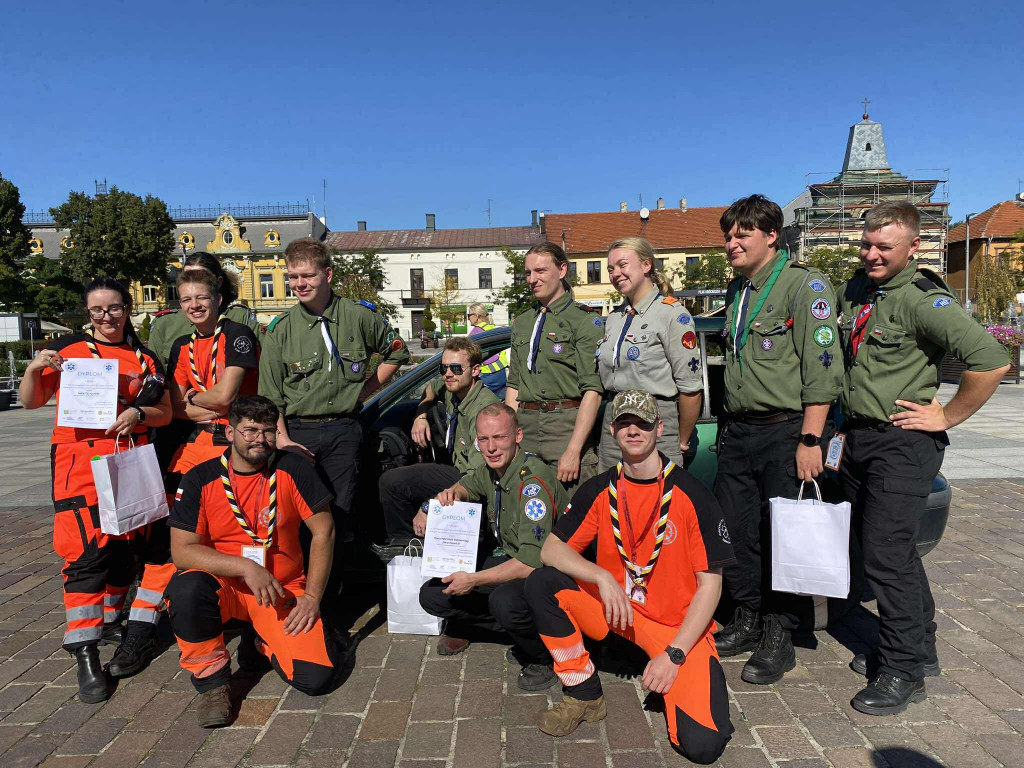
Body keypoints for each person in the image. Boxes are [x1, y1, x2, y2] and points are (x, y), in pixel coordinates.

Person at [836, 201, 1009, 715]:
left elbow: (991, 360)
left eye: (883, 247)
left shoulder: (923, 300)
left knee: (885, 557)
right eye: (866, 244)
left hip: (902, 442)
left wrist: (947, 416)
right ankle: (922, 645)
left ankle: (903, 670)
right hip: (859, 439)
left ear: (913, 248)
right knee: (892, 553)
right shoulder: (858, 291)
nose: (871, 254)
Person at [524, 390, 734, 764]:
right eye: (624, 423)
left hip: (675, 628)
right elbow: (550, 550)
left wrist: (674, 655)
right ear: (612, 431)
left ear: (660, 428)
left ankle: (667, 673)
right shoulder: (600, 488)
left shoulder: (692, 494)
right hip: (618, 613)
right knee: (543, 583)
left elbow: (711, 585)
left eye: (642, 423)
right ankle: (583, 693)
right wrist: (602, 577)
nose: (633, 430)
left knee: (703, 746)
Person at [18, 277, 172, 703]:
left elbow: (164, 412)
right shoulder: (68, 353)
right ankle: (84, 653)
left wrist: (138, 412)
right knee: (85, 555)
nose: (107, 317)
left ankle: (108, 622)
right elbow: (31, 400)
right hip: (78, 465)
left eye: (115, 308)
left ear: (128, 309)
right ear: (88, 314)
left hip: (128, 459)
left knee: (125, 549)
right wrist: (34, 367)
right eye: (97, 311)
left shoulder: (145, 357)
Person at [712, 194, 842, 685]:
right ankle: (746, 616)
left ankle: (779, 634)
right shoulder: (737, 292)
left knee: (782, 535)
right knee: (738, 531)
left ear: (771, 235)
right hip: (739, 432)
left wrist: (811, 439)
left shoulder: (805, 286)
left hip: (786, 429)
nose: (732, 243)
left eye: (742, 233)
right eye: (728, 235)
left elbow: (823, 370)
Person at [165, 396, 344, 727]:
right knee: (186, 588)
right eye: (249, 431)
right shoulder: (199, 478)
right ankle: (213, 683)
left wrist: (312, 599)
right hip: (225, 585)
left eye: (267, 431)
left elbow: (324, 532)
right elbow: (182, 551)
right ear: (230, 433)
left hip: (282, 587)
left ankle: (262, 641)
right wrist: (246, 567)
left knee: (316, 679)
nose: (260, 439)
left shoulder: (293, 469)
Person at [258, 237, 410, 608]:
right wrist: (282, 441)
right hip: (297, 435)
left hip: (344, 431)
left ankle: (330, 605)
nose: (299, 284)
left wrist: (364, 392)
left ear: (327, 274)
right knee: (297, 520)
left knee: (337, 520)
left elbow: (397, 352)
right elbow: (271, 397)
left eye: (307, 275)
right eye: (292, 277)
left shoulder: (358, 317)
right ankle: (297, 597)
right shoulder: (280, 329)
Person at [421, 404, 567, 690]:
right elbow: (466, 486)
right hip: (513, 562)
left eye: (499, 437)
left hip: (548, 572)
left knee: (505, 602)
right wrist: (448, 497)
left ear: (517, 436)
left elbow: (530, 562)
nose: (491, 448)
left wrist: (473, 580)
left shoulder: (532, 483)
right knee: (433, 595)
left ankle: (543, 654)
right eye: (483, 440)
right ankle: (521, 629)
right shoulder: (492, 470)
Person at [374, 337, 499, 555]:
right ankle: (406, 547)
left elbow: (479, 476)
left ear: (476, 370)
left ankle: (409, 551)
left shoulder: (483, 410)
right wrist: (421, 414)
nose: (448, 374)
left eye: (457, 368)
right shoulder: (455, 390)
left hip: (474, 484)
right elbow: (431, 387)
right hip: (458, 471)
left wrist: (430, 506)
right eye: (444, 367)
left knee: (394, 482)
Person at [598, 237, 703, 470]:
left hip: (654, 425)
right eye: (610, 269)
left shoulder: (672, 314)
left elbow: (691, 389)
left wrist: (681, 440)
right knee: (611, 500)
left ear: (646, 266)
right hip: (614, 426)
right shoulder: (615, 318)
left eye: (623, 265)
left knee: (656, 502)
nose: (616, 274)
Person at [505, 242, 603, 490]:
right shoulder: (523, 322)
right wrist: (510, 435)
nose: (532, 279)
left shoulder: (583, 321)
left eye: (540, 271)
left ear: (561, 270)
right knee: (530, 515)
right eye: (528, 273)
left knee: (571, 517)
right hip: (525, 430)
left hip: (565, 429)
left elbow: (593, 389)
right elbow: (514, 384)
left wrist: (574, 449)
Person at [165, 269, 261, 486]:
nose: (194, 305)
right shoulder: (182, 345)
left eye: (201, 297)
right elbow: (174, 407)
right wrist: (218, 403)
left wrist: (192, 398)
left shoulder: (237, 334)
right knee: (177, 503)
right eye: (186, 299)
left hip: (236, 437)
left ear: (217, 299)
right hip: (197, 439)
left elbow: (225, 397)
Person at [148, 251, 260, 369]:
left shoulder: (240, 318)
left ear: (218, 282)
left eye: (201, 278)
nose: (193, 284)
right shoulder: (164, 324)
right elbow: (155, 375)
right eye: (187, 277)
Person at [468, 301, 509, 399]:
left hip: (487, 376)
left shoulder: (476, 333)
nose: (468, 318)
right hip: (502, 374)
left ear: (476, 316)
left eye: (469, 315)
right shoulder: (493, 328)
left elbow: (467, 356)